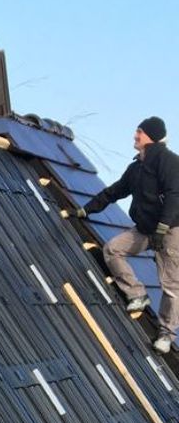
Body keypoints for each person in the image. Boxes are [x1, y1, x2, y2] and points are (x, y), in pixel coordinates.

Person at [72, 117, 179, 354]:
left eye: (139, 132)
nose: (135, 136)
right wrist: (86, 209)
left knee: (171, 285)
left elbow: (175, 195)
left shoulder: (169, 161)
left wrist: (163, 227)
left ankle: (165, 334)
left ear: (150, 136)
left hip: (170, 230)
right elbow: (115, 192)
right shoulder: (136, 168)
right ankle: (137, 294)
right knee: (113, 249)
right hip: (145, 229)